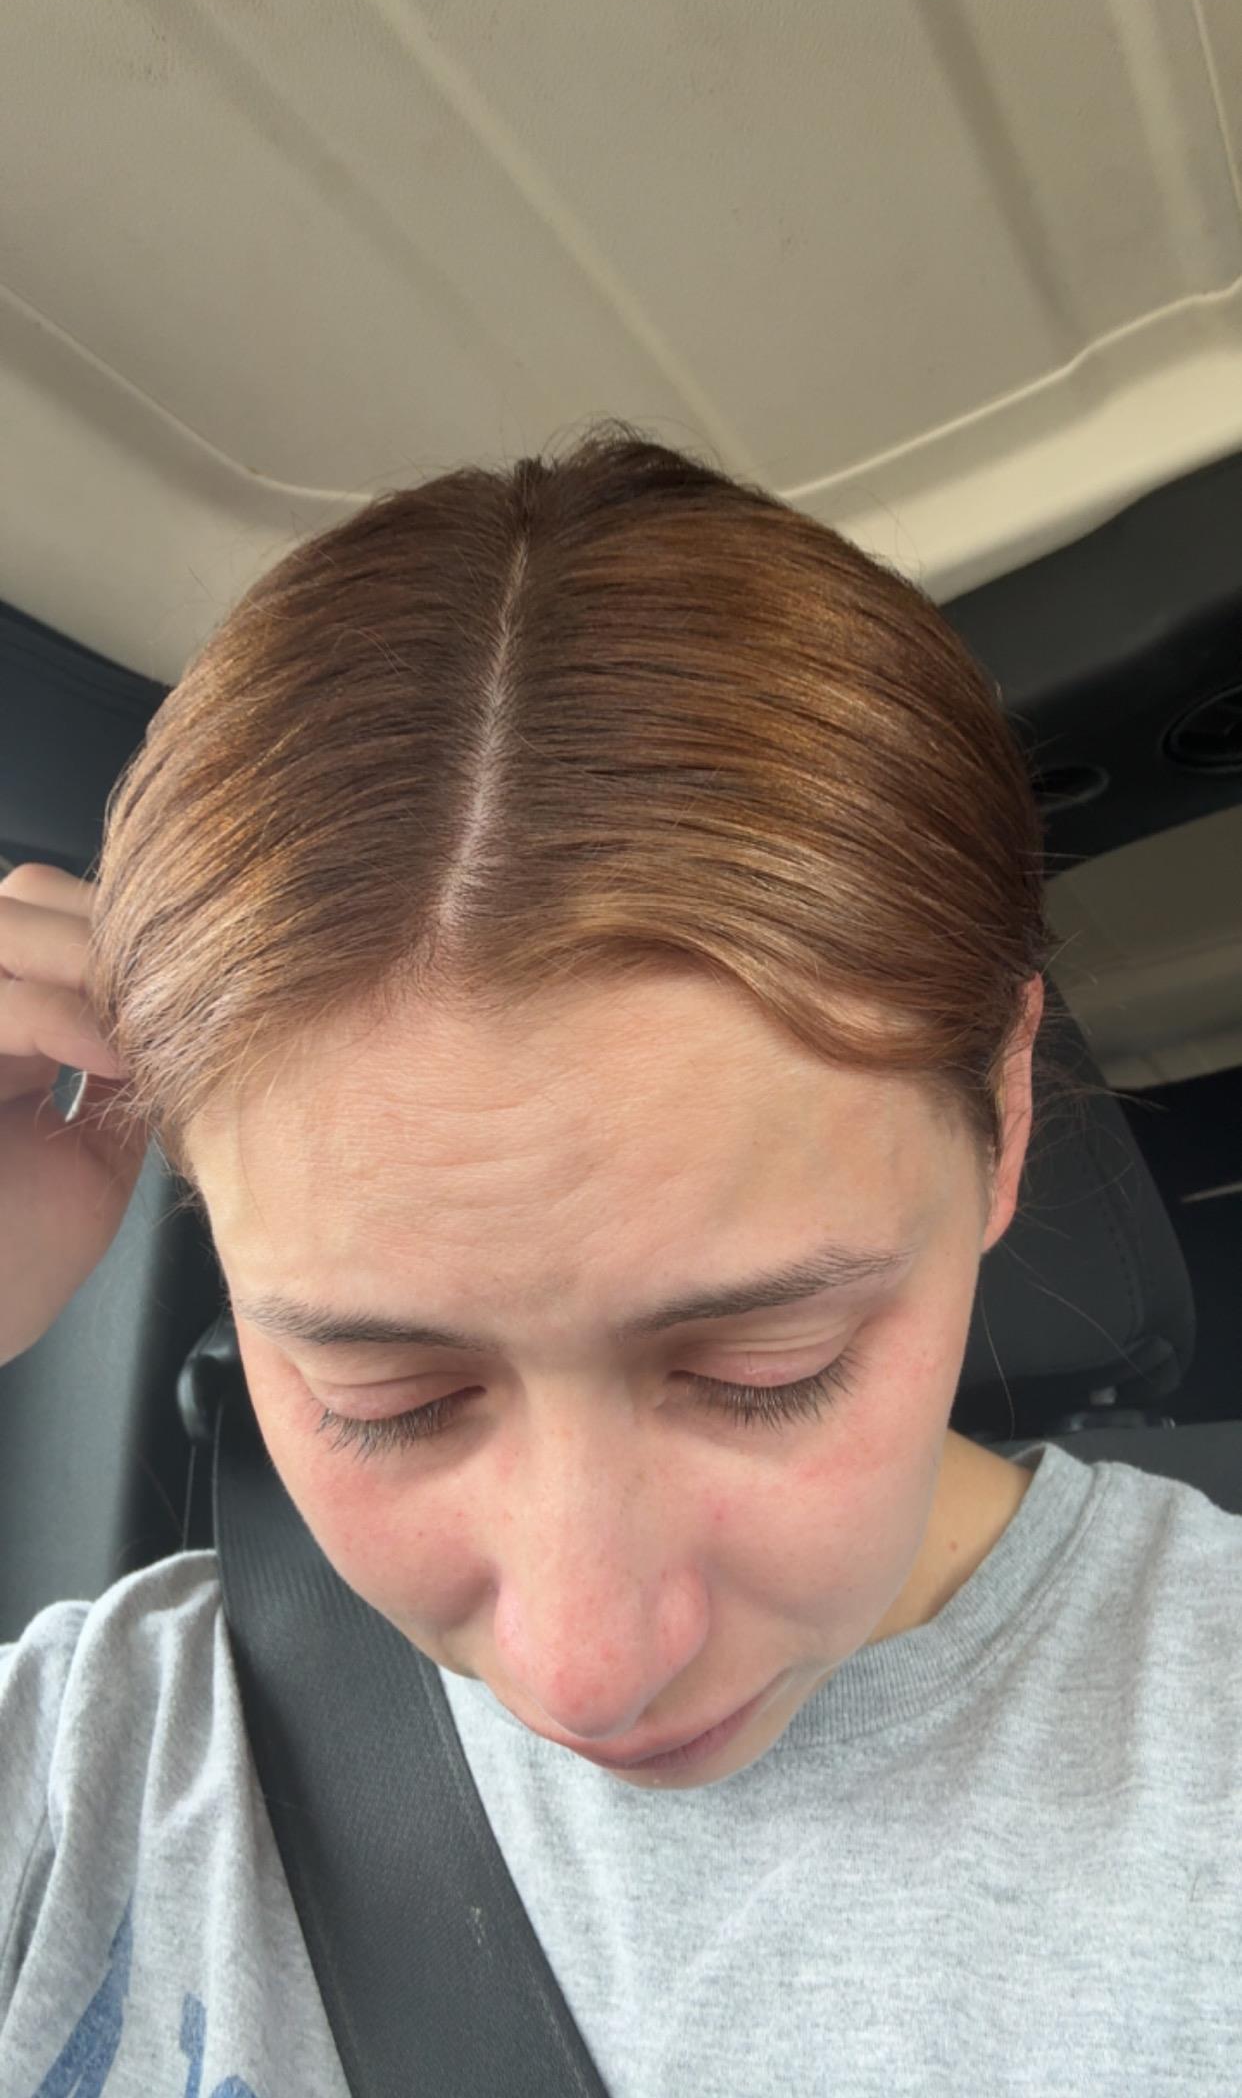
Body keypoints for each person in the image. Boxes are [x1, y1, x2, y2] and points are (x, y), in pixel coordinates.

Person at [2, 423, 1239, 2093]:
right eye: (384, 1395)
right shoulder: (88, 1766)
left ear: (1003, 1120)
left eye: (764, 1370)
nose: (589, 1671)